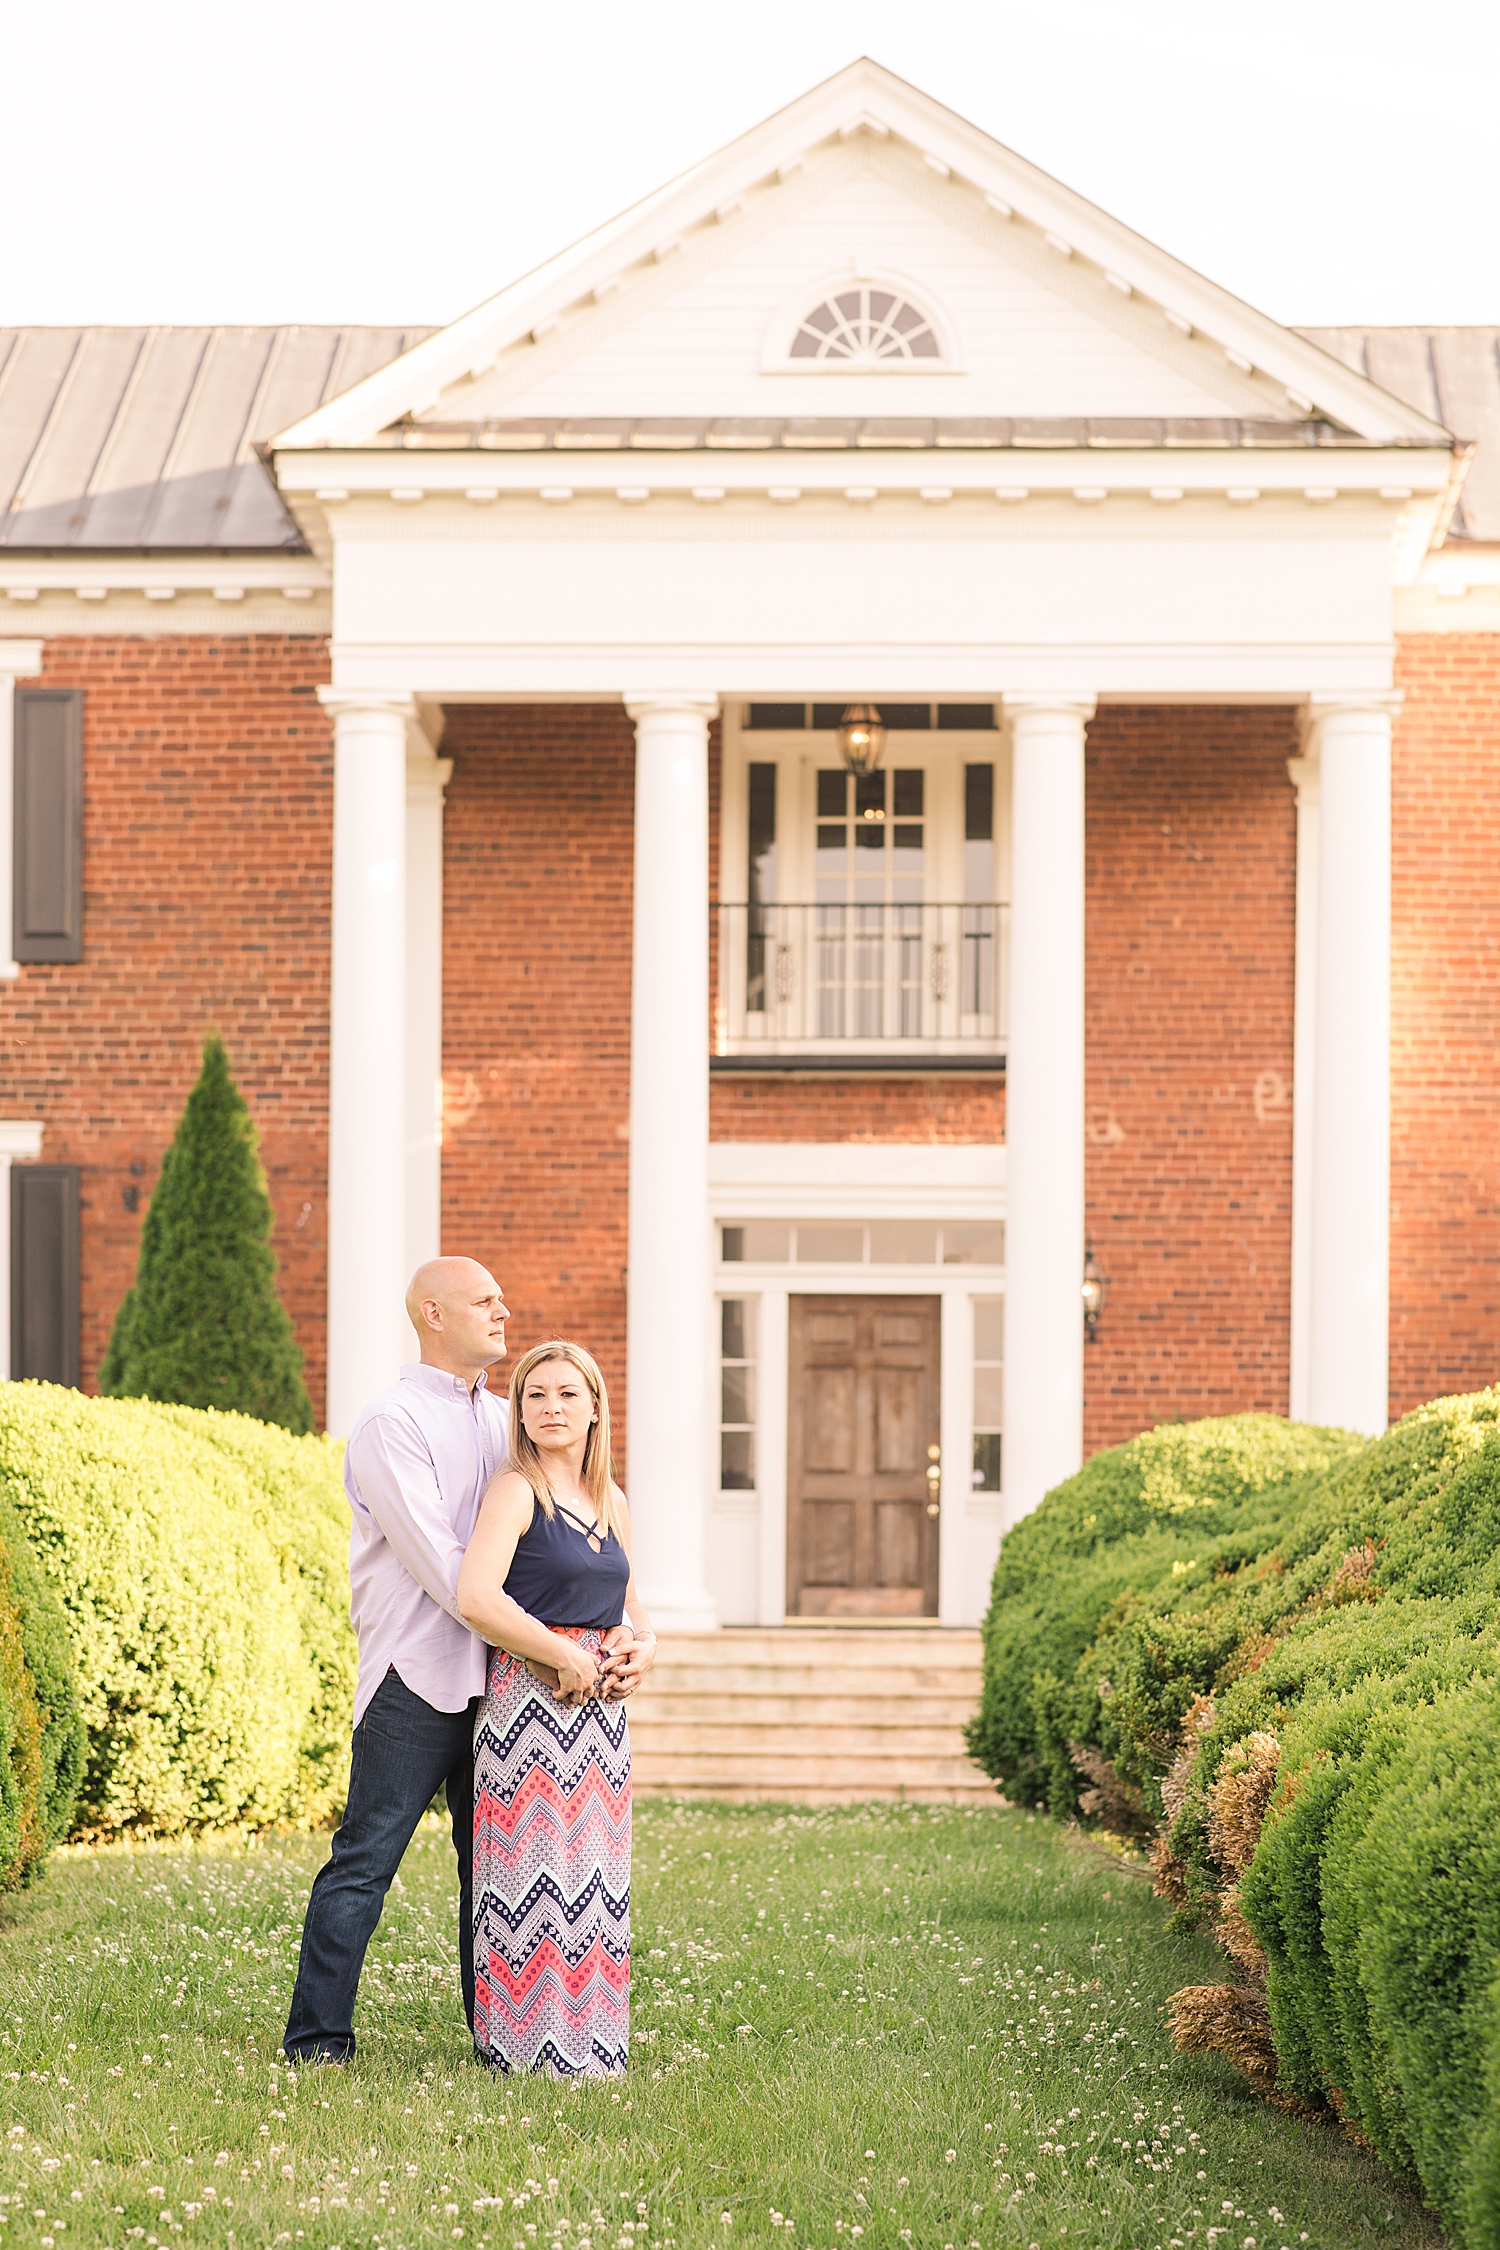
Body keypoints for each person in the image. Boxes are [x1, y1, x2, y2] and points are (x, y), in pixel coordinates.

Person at [282, 1257, 512, 2065]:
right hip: (413, 1680)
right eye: (485, 1299)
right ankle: (317, 2040)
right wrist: (548, 1645)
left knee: (491, 1870)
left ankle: (501, 2034)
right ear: (433, 1313)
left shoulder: (507, 1418)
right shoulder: (393, 1423)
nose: (503, 1309)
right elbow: (448, 1570)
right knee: (365, 1861)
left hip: (500, 1682)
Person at [457, 1340, 657, 2076]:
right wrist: (560, 1652)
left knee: (597, 1876)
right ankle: (524, 2048)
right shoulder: (515, 1491)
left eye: (567, 1394)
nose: (550, 1407)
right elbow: (476, 1596)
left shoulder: (612, 1501)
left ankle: (592, 2045)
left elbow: (631, 1607)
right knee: (533, 1878)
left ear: (596, 1407)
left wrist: (641, 1645)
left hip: (602, 1718)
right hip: (529, 1705)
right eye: (535, 1395)